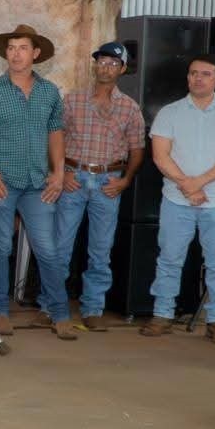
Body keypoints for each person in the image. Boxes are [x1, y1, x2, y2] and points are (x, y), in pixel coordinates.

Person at [0, 24, 74, 340]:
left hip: (38, 183)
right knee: (0, 247)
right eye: (11, 48)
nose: (15, 54)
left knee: (48, 249)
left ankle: (60, 313)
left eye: (23, 48)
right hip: (2, 183)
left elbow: (56, 133)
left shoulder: (49, 92)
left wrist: (59, 171)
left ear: (35, 53)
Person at [139, 53, 215, 345]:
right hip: (176, 200)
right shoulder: (169, 113)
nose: (197, 79)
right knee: (169, 259)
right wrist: (187, 186)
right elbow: (160, 156)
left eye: (205, 74)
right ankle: (162, 315)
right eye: (193, 73)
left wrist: (197, 183)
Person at [55, 42, 145, 331]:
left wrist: (126, 180)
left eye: (112, 63)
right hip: (73, 178)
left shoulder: (130, 107)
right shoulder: (73, 100)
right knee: (60, 247)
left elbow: (137, 149)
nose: (105, 68)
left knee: (101, 250)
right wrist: (60, 172)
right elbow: (55, 137)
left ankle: (93, 308)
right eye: (101, 62)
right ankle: (51, 305)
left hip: (108, 182)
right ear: (95, 66)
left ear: (123, 69)